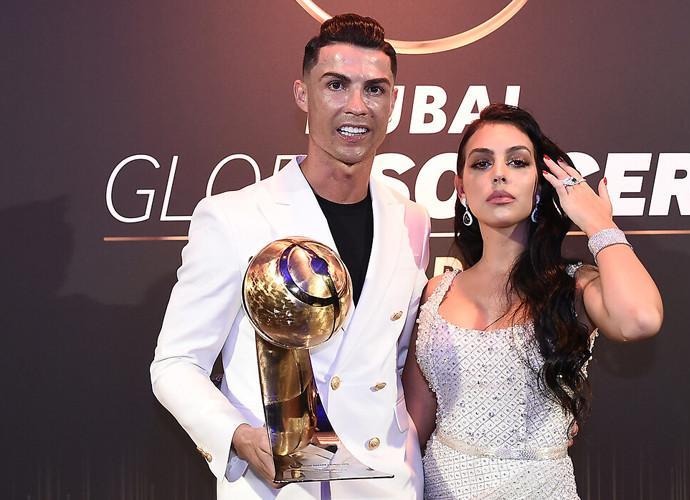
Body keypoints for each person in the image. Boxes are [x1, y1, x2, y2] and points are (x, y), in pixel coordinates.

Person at [150, 14, 429, 499]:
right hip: (278, 488)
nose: (357, 106)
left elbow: (394, 359)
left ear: (394, 103)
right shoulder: (234, 217)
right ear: (303, 94)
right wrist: (239, 438)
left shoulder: (412, 219)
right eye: (336, 85)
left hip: (386, 484)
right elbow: (175, 363)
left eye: (375, 89)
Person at [402, 104, 663, 498]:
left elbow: (640, 319)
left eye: (518, 162)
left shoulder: (575, 287)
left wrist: (598, 222)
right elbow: (413, 429)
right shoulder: (436, 292)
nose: (499, 174)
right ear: (461, 188)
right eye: (482, 163)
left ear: (540, 184)